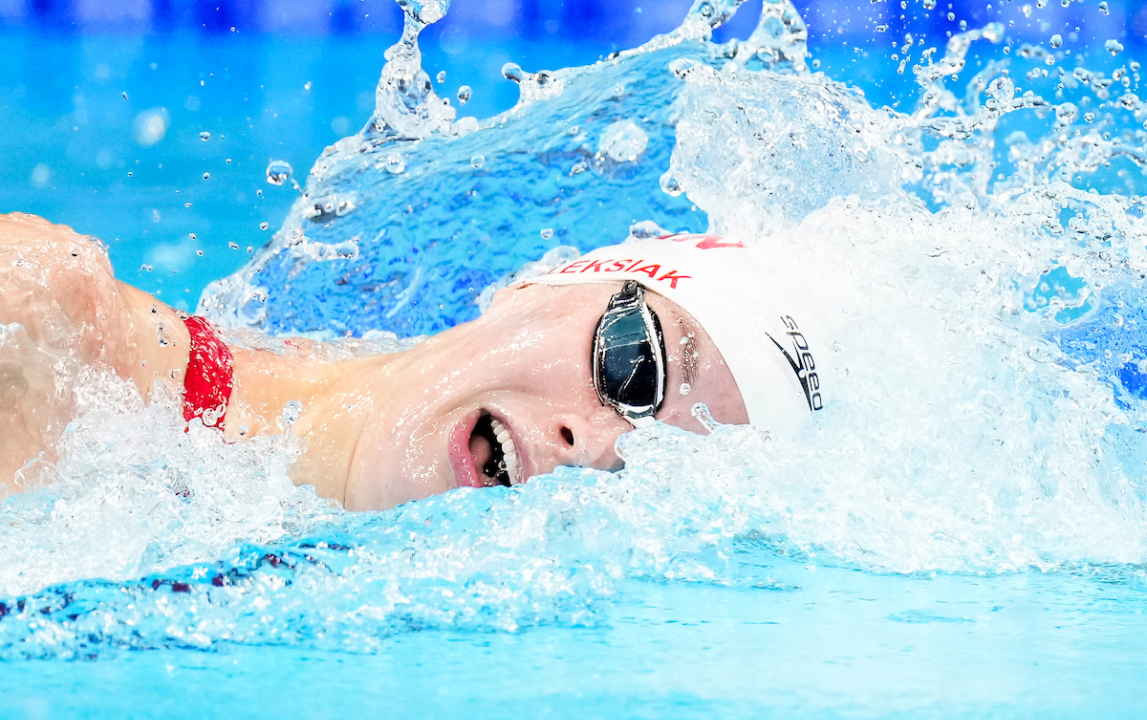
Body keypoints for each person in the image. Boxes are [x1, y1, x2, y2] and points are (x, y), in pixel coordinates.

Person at [0, 212, 829, 510]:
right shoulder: (48, 334)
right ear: (531, 286)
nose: (597, 444)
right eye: (633, 367)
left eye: (657, 468)